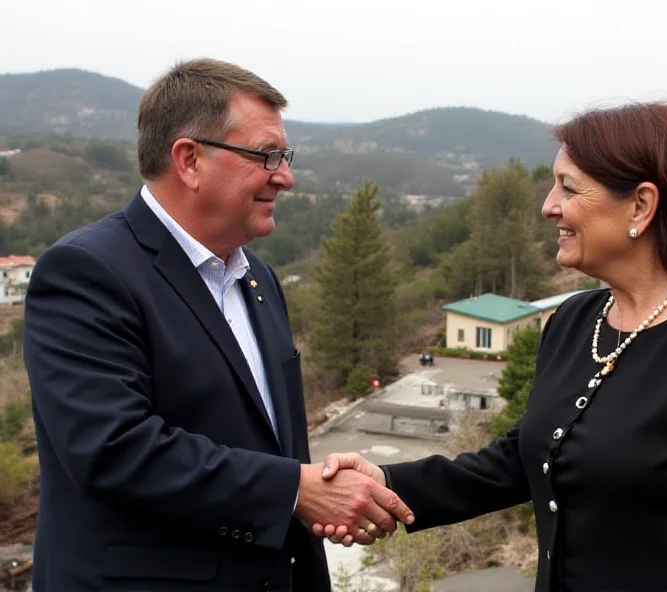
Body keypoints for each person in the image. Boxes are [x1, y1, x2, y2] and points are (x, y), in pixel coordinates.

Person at [314, 102, 667, 591]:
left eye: (568, 187)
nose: (548, 205)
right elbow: (523, 459)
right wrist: (388, 483)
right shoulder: (573, 320)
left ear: (641, 205)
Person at [22, 58, 412, 592]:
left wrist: (310, 495)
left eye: (285, 156)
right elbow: (114, 448)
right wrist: (296, 492)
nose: (286, 176)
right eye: (268, 155)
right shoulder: (87, 271)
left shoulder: (259, 278)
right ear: (189, 160)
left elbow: (271, 445)